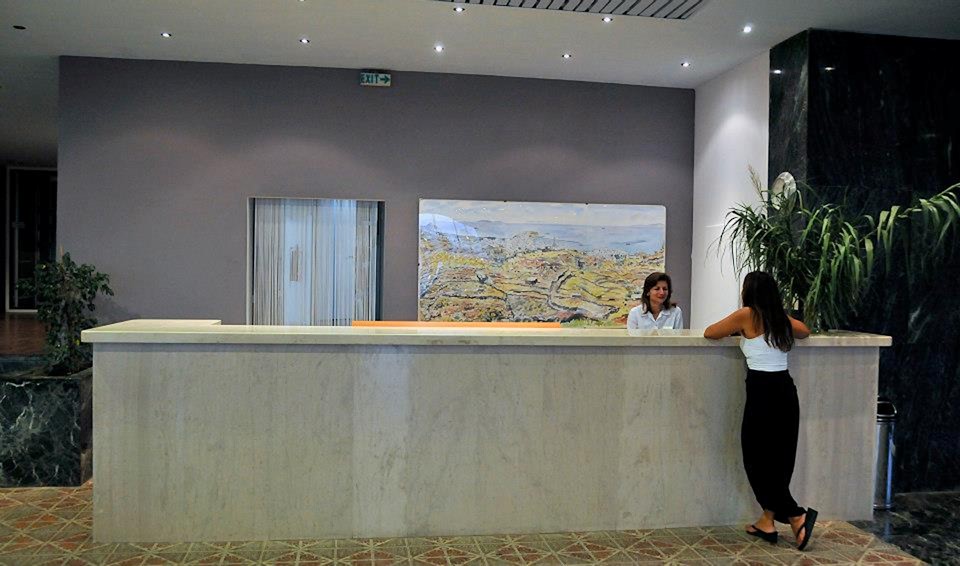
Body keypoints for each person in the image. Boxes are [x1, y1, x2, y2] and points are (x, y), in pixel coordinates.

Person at [703, 271, 818, 551]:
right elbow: (804, 331)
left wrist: (739, 330)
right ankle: (767, 522)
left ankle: (796, 515)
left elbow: (710, 332)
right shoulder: (780, 318)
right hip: (786, 392)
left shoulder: (746, 315)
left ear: (748, 291)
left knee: (755, 458)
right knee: (778, 460)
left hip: (762, 393)